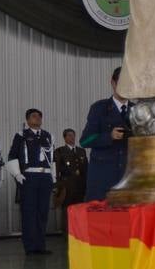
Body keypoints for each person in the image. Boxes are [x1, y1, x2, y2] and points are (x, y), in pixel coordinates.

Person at [7, 108, 55, 256]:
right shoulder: (21, 135)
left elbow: (52, 159)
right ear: (27, 120)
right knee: (29, 212)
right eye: (34, 116)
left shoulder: (48, 136)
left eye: (40, 116)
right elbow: (12, 156)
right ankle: (30, 246)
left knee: (42, 212)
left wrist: (54, 178)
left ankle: (40, 245)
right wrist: (17, 174)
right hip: (29, 177)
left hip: (45, 177)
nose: (38, 118)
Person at [80, 67, 130, 201]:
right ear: (113, 83)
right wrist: (109, 136)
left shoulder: (138, 111)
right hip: (103, 179)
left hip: (129, 179)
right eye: (122, 83)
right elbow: (84, 141)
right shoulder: (99, 108)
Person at [52, 128, 88, 235]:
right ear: (65, 138)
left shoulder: (81, 151)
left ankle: (78, 232)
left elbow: (86, 169)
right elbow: (57, 170)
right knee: (67, 210)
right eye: (69, 136)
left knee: (79, 209)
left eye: (73, 135)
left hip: (80, 185)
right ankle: (67, 233)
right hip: (66, 185)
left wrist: (87, 185)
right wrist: (57, 187)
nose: (72, 138)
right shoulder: (59, 151)